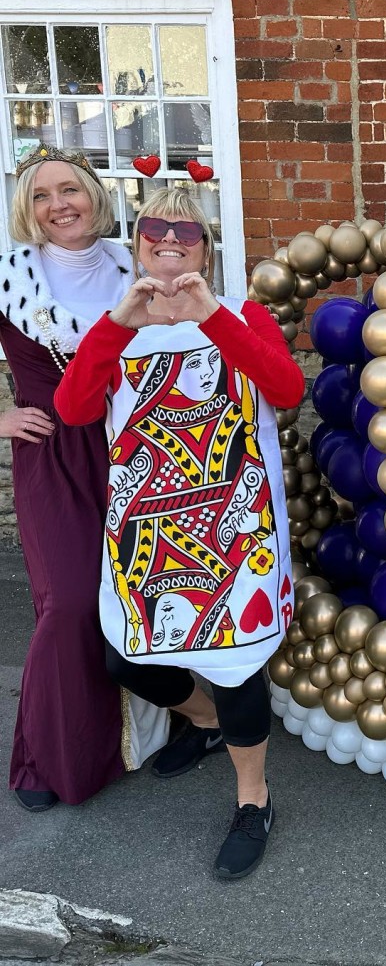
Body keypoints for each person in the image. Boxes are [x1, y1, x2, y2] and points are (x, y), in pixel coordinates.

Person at [55, 188, 305, 880]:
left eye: (184, 231)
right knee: (126, 657)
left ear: (206, 244)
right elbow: (74, 408)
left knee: (236, 663)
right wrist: (116, 324)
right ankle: (203, 722)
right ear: (136, 243)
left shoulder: (242, 313)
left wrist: (212, 316)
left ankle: (253, 798)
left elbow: (284, 391)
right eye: (154, 230)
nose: (169, 242)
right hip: (142, 527)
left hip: (232, 519)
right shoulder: (117, 323)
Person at [3, 145, 167, 812]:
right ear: (28, 210)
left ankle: (150, 733)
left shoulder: (140, 268)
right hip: (54, 456)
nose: (58, 205)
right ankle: (49, 754)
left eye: (69, 189)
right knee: (69, 601)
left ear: (96, 195)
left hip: (138, 451)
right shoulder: (9, 275)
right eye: (42, 196)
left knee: (141, 595)